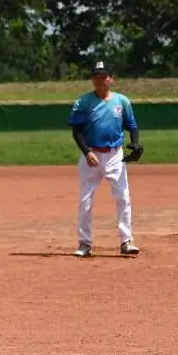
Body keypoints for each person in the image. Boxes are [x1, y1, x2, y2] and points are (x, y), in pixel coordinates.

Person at [69, 60, 142, 257]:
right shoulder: (83, 103)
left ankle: (126, 241)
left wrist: (135, 143)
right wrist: (86, 152)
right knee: (85, 201)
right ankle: (84, 244)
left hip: (115, 155)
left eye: (104, 76)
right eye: (96, 76)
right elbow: (76, 132)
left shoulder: (122, 101)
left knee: (123, 197)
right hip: (91, 155)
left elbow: (132, 125)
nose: (100, 80)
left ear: (111, 78)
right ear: (93, 79)